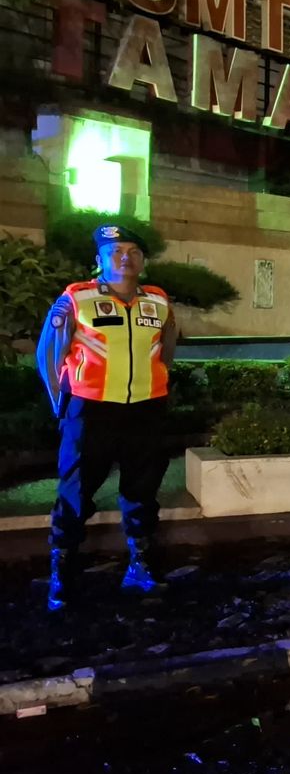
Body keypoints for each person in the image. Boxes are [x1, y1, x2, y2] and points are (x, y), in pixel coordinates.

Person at [35, 224, 178, 611]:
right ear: (99, 260)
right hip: (91, 411)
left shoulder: (159, 302)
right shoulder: (75, 300)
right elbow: (49, 355)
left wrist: (157, 386)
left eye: (133, 251)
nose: (125, 257)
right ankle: (62, 574)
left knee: (142, 490)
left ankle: (140, 566)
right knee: (76, 492)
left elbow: (166, 352)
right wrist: (61, 404)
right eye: (115, 251)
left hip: (146, 409)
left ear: (143, 261)